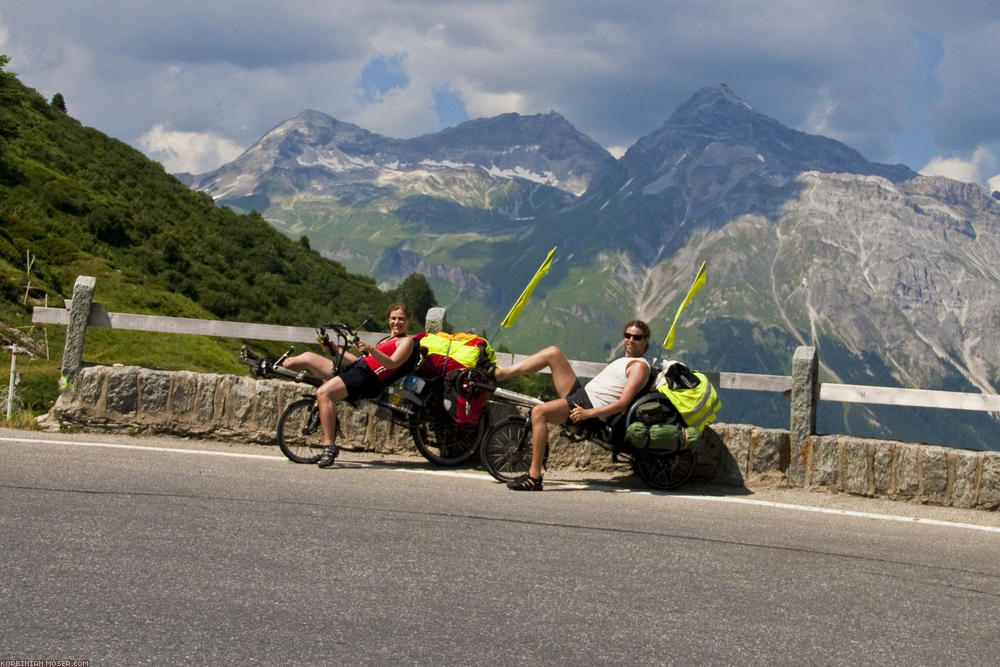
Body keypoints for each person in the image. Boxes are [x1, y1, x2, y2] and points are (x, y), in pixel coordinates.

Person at [493, 320, 652, 490]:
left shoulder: (639, 367)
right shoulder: (625, 360)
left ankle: (534, 477)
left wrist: (587, 414)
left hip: (589, 408)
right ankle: (498, 375)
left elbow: (622, 403)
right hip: (582, 396)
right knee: (553, 353)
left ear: (645, 341)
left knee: (539, 412)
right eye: (628, 336)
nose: (631, 340)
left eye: (637, 337)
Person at [279, 303, 416, 468]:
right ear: (388, 320)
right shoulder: (387, 340)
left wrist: (371, 349)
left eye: (401, 319)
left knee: (324, 393)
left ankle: (329, 447)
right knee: (308, 357)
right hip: (356, 371)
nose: (396, 322)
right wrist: (334, 348)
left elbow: (392, 363)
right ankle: (269, 366)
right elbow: (359, 361)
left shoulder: (406, 341)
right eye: (393, 318)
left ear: (409, 321)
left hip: (367, 379)